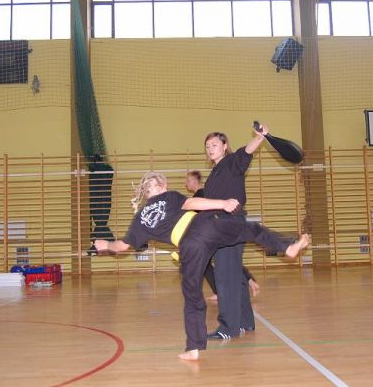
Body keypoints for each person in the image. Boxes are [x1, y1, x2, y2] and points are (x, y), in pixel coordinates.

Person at [95, 172, 309, 361]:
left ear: (145, 192)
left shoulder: (140, 219)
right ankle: (287, 246)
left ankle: (194, 348)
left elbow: (122, 246)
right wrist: (222, 204)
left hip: (190, 246)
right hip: (206, 225)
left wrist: (105, 245)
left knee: (193, 296)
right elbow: (192, 204)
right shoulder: (170, 196)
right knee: (251, 229)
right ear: (163, 186)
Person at [203, 126, 268, 340]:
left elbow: (246, 151)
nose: (210, 148)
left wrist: (259, 137)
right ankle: (246, 322)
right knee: (236, 276)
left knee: (225, 277)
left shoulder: (232, 162)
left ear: (225, 146)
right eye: (207, 146)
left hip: (229, 224)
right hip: (223, 226)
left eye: (214, 144)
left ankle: (228, 328)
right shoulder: (215, 173)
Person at [185, 170, 260, 301]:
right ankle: (248, 281)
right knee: (224, 260)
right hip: (214, 233)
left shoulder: (200, 196)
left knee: (217, 263)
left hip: (212, 235)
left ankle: (245, 282)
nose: (186, 184)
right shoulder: (203, 194)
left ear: (195, 180)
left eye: (188, 180)